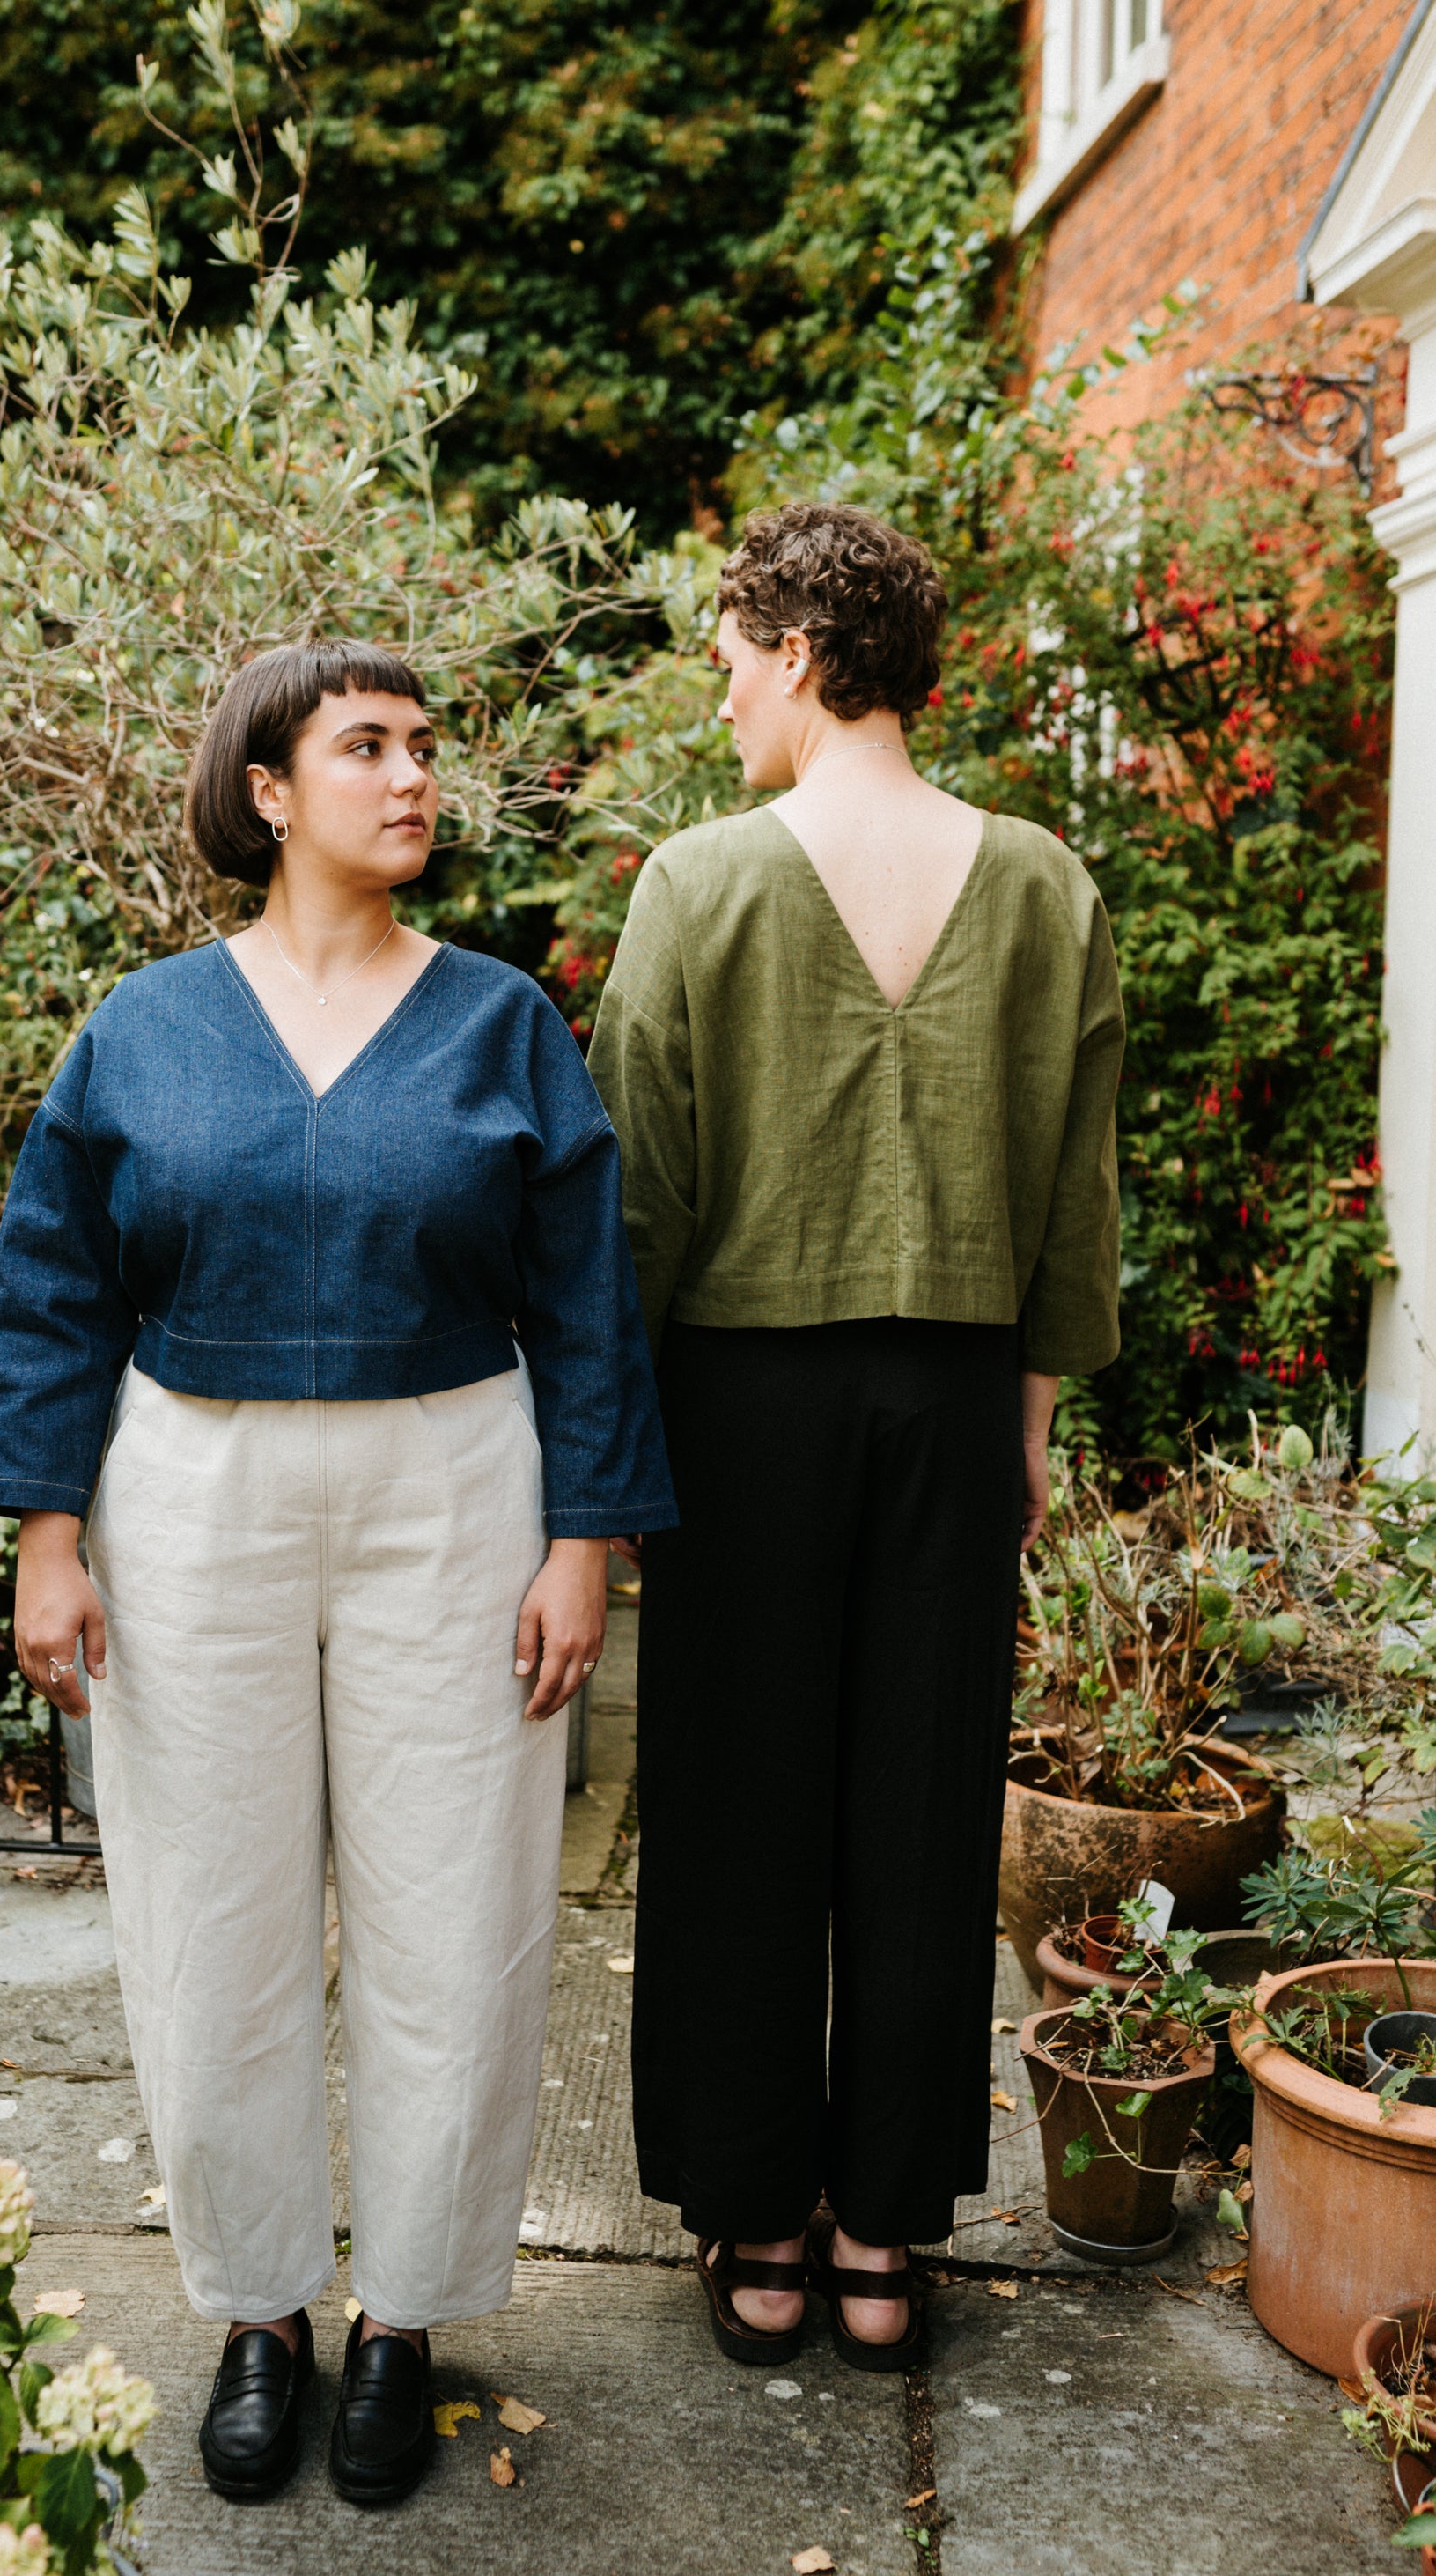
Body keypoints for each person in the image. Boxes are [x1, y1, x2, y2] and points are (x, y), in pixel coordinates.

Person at [0, 639, 675, 2506]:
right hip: (191, 1492)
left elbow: (585, 1304)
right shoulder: (142, 1030)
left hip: (456, 1483)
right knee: (214, 1915)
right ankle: (260, 2310)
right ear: (266, 789)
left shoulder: (503, 1023)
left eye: (426, 747)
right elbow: (51, 1289)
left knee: (460, 1913)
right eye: (366, 746)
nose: (414, 777)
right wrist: (48, 1533)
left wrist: (580, 1541)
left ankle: (409, 2317)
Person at [587, 502, 1123, 2373]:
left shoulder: (699, 881)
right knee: (919, 1796)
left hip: (736, 1402)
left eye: (733, 650)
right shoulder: (1045, 880)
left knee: (736, 1800)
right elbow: (1075, 1194)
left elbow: (633, 1205)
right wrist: (1031, 1420)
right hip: (962, 1398)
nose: (722, 686)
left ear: (802, 650)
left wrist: (607, 1453)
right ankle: (887, 2224)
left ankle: (756, 2206)